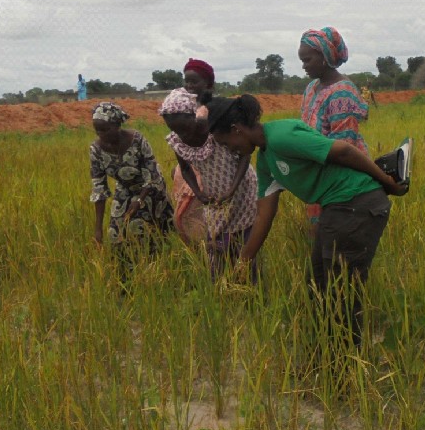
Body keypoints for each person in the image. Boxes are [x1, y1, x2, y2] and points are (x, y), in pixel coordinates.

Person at [206, 94, 408, 345]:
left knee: (340, 293)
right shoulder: (266, 159)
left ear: (236, 130)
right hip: (337, 208)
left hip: (357, 202)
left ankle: (344, 371)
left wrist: (387, 181)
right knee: (318, 285)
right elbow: (264, 215)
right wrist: (244, 262)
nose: (230, 151)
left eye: (226, 143)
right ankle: (325, 359)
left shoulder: (281, 136)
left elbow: (343, 151)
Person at [161, 88, 257, 279]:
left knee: (243, 243)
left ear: (194, 116)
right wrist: (198, 192)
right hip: (214, 197)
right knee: (215, 244)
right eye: (175, 130)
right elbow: (186, 169)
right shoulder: (178, 141)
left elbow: (245, 156)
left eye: (185, 128)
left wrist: (232, 189)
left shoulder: (215, 128)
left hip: (242, 189)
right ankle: (221, 288)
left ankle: (250, 287)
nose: (182, 134)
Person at [89, 102, 174, 280]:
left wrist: (139, 201)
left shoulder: (137, 139)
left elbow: (152, 173)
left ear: (117, 125)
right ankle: (124, 278)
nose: (101, 135)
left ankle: (154, 271)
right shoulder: (96, 150)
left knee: (140, 228)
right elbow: (99, 189)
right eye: (98, 131)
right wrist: (98, 229)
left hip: (150, 188)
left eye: (105, 130)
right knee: (115, 233)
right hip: (125, 188)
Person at [298, 27, 370, 232]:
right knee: (320, 239)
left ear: (325, 57)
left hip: (340, 177)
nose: (303, 66)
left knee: (336, 237)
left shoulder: (342, 93)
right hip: (318, 173)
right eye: (302, 60)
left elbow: (344, 146)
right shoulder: (311, 87)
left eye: (307, 60)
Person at [169, 58, 217, 244]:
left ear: (208, 84)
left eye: (194, 81)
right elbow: (178, 142)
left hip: (213, 171)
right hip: (189, 172)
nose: (189, 86)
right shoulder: (181, 108)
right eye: (186, 81)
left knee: (212, 221)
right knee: (187, 219)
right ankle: (201, 258)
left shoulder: (216, 109)